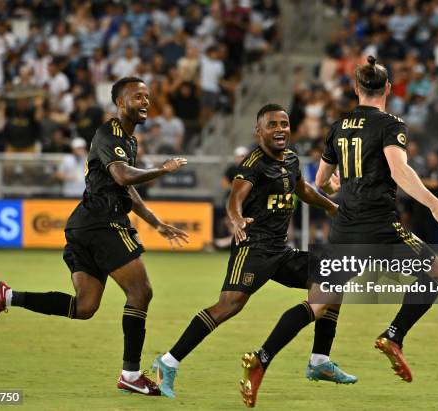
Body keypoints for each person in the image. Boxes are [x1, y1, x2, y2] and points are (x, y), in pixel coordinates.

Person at [240, 57, 438, 407]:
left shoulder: (339, 125)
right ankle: (394, 336)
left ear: (356, 89)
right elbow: (400, 170)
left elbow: (320, 183)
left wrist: (338, 184)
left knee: (317, 303)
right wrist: (434, 203)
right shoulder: (392, 124)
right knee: (436, 273)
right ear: (388, 89)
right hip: (380, 226)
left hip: (345, 227)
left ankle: (263, 356)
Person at [0, 77, 189, 396]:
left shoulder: (128, 141)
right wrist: (163, 169)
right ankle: (130, 375)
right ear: (120, 103)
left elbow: (126, 187)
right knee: (141, 291)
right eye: (137, 97)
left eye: (148, 97)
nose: (145, 102)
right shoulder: (110, 133)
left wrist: (156, 223)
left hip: (85, 224)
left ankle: (7, 296)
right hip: (102, 222)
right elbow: (122, 175)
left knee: (86, 306)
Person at [151, 104, 356, 400]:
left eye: (284, 124)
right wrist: (236, 218)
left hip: (280, 250)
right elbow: (235, 197)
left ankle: (319, 361)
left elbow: (303, 190)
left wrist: (332, 207)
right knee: (228, 306)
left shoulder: (291, 160)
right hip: (253, 248)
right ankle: (167, 362)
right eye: (272, 125)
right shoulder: (252, 164)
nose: (280, 130)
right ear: (258, 132)